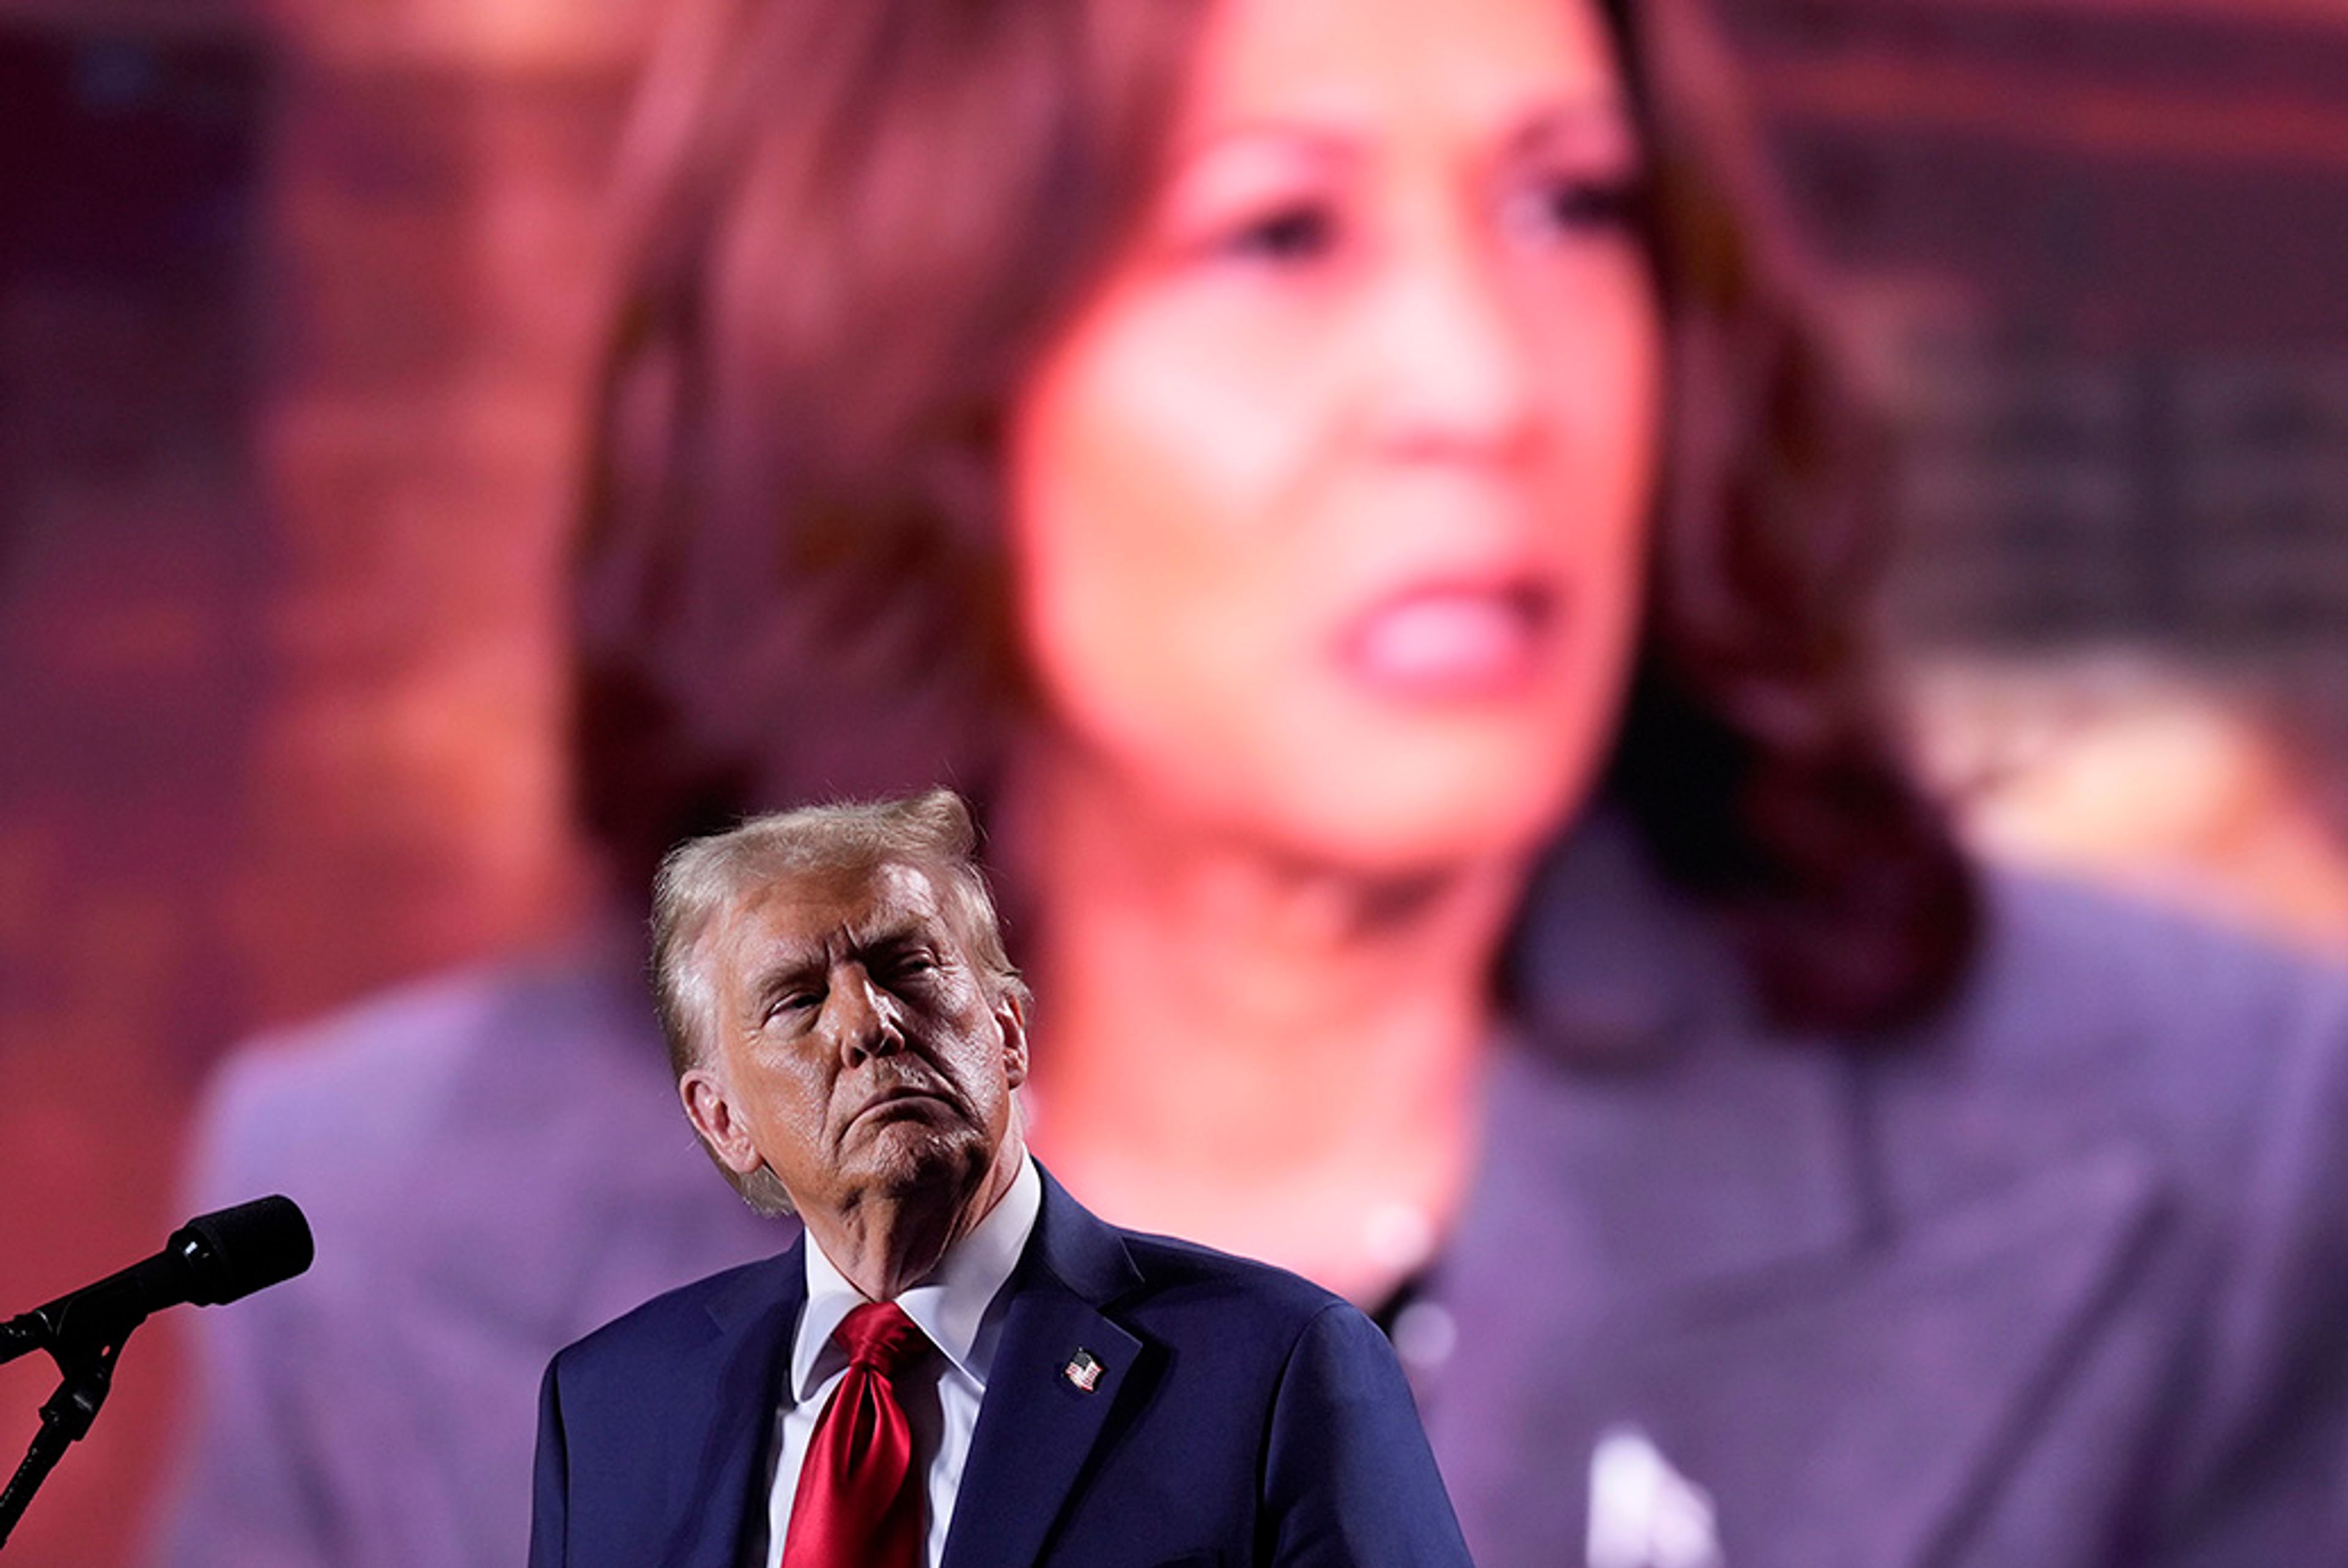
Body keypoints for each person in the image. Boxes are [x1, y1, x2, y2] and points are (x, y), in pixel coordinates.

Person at [159, 0, 2348, 1563]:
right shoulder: (383, 1245)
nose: (1482, 386)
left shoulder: (2212, 1150)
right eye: (1280, 237)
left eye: (1571, 207)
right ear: (909, 361)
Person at [530, 789, 1474, 1568]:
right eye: (799, 999)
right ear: (722, 1118)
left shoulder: (1277, 1368)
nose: (869, 1026)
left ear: (1011, 1033)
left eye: (907, 968)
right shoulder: (612, 1408)